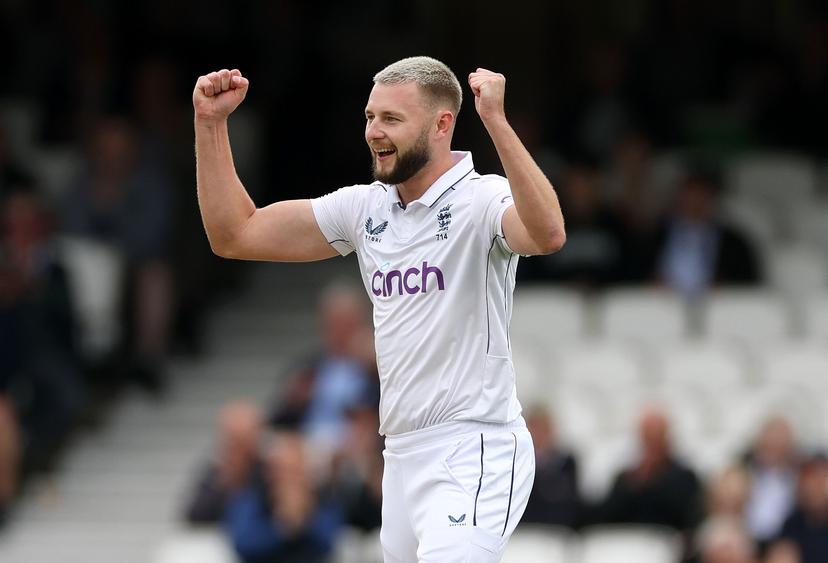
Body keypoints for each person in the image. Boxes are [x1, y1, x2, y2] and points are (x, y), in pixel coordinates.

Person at [193, 56, 566, 562]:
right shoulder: (365, 207)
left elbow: (547, 234)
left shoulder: (483, 200)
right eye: (370, 117)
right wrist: (210, 125)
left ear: (442, 124)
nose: (373, 132)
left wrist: (497, 121)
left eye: (391, 119)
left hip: (473, 448)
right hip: (401, 455)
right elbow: (235, 233)